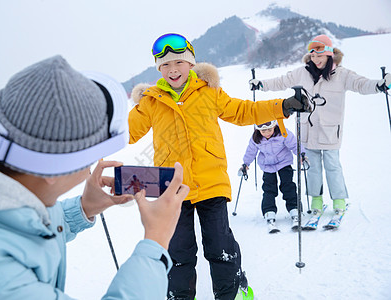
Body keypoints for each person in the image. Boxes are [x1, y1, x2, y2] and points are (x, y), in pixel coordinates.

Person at [0, 55, 190, 300]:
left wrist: (83, 208)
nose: (91, 168)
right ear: (51, 169)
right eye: (90, 157)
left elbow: (24, 220)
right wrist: (155, 240)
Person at [128, 33, 310, 300]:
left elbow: (243, 111)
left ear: (190, 63)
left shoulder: (208, 91)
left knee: (220, 247)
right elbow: (126, 133)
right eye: (164, 65)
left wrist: (282, 106)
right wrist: (89, 136)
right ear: (158, 69)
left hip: (211, 184)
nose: (172, 69)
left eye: (178, 62)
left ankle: (232, 293)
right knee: (178, 253)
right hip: (173, 190)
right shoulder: (151, 101)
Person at [249, 34, 391, 221]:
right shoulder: (302, 72)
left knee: (333, 166)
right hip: (308, 130)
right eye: (313, 56)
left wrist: (380, 85)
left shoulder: (342, 74)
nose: (315, 59)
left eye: (320, 55)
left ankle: (339, 201)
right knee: (312, 167)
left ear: (329, 55)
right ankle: (316, 201)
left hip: (331, 130)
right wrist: (261, 84)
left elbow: (361, 84)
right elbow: (281, 81)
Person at [242, 120, 304, 233]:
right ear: (258, 130)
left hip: (284, 162)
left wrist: (301, 155)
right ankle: (269, 212)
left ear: (275, 126)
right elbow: (251, 151)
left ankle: (295, 210)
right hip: (267, 165)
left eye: (269, 130)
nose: (267, 133)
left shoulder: (283, 132)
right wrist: (246, 164)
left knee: (288, 186)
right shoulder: (256, 138)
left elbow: (294, 144)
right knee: (269, 189)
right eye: (263, 131)